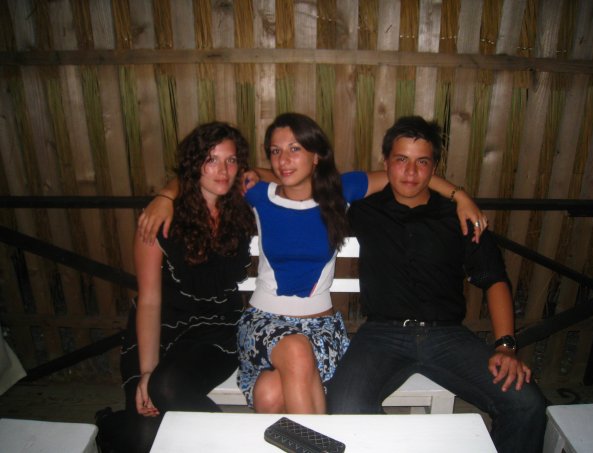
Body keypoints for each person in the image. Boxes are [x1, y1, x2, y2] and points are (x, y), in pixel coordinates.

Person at [137, 112, 487, 415]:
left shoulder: (341, 191)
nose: (284, 160)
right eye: (276, 151)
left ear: (316, 155)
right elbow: (206, 171)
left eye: (295, 149)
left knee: (269, 394)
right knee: (294, 349)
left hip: (321, 330)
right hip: (264, 325)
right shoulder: (256, 192)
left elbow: (408, 173)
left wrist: (460, 196)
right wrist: (165, 196)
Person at [325, 116, 546, 453]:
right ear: (385, 162)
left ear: (434, 167)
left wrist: (505, 347)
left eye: (422, 162)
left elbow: (494, 279)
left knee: (527, 403)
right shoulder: (364, 210)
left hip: (447, 335)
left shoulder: (458, 216)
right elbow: (310, 187)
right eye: (401, 159)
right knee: (344, 407)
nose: (411, 172)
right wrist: (459, 191)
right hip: (381, 334)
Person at [96, 122, 256, 453]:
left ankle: (238, 447)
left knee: (166, 388)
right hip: (160, 329)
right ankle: (113, 428)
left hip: (217, 332)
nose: (223, 170)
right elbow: (149, 301)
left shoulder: (241, 207)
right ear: (194, 164)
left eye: (231, 160)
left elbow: (283, 173)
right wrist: (147, 371)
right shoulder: (160, 220)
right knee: (144, 437)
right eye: (211, 160)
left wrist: (168, 190)